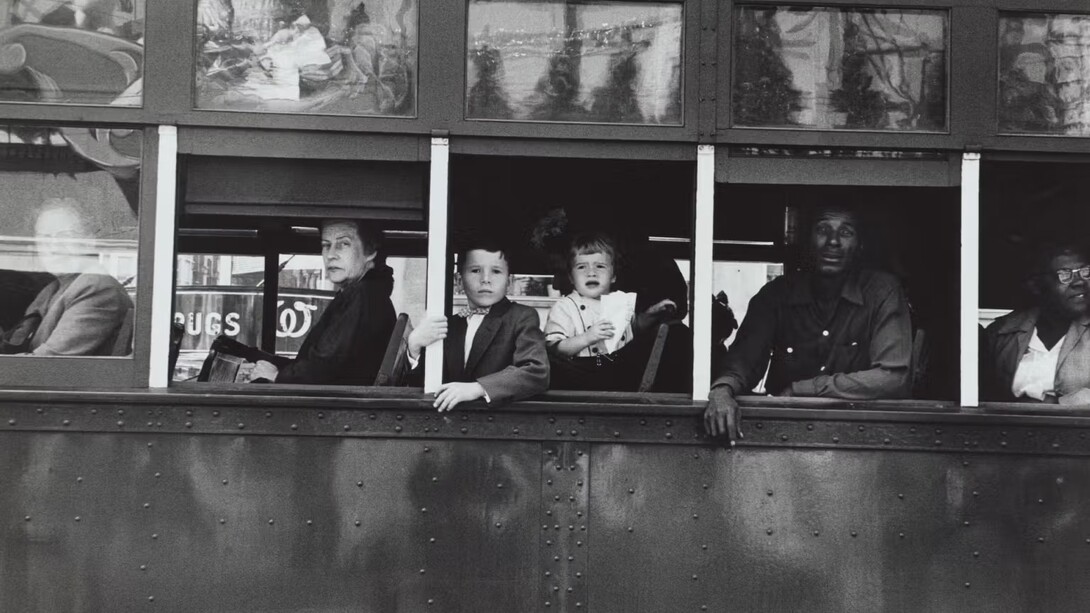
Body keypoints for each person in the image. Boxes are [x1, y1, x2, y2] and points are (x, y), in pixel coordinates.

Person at [704, 205, 912, 440]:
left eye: (846, 232)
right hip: (784, 434)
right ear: (808, 241)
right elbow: (743, 362)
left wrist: (802, 389)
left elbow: (893, 377)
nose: (833, 241)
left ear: (860, 245)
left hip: (858, 435)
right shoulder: (776, 294)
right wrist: (722, 391)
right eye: (823, 229)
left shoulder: (881, 291)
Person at [404, 240, 549, 411]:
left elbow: (536, 372)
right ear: (459, 280)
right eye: (475, 271)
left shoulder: (521, 316)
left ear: (509, 282)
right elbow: (421, 386)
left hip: (500, 424)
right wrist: (414, 347)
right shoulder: (448, 325)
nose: (485, 279)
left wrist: (478, 388)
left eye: (496, 271)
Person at [250, 219, 395, 385]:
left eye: (343, 244)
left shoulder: (361, 294)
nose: (331, 255)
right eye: (326, 245)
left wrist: (277, 376)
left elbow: (324, 366)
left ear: (370, 251)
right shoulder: (368, 293)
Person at [1, 197, 133, 356]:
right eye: (44, 238)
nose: (53, 246)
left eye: (64, 236)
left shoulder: (97, 287)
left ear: (88, 241)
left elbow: (48, 362)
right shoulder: (51, 290)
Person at [544, 232, 676, 390]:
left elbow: (633, 329)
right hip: (580, 374)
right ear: (571, 277)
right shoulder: (564, 307)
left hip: (618, 371)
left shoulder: (619, 301)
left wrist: (652, 314)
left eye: (600, 266)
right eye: (581, 267)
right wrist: (587, 337)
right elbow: (555, 348)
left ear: (613, 276)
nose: (591, 272)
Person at [981, 242, 1090, 404]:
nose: (1079, 282)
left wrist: (1058, 404)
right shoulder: (1003, 332)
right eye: (1064, 275)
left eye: (1085, 272)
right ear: (1037, 285)